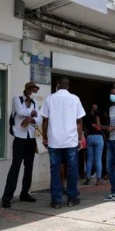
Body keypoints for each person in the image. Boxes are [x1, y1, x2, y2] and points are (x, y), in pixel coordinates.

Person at [41, 78, 85, 209]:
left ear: (57, 85)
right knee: (72, 170)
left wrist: (44, 138)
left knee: (54, 170)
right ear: (68, 86)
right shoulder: (75, 99)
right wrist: (79, 138)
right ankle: (72, 198)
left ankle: (56, 201)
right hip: (71, 141)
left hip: (54, 141)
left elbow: (45, 121)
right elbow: (79, 122)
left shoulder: (50, 99)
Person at [1, 82, 40, 208]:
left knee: (28, 167)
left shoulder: (34, 103)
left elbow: (39, 119)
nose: (33, 93)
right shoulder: (16, 99)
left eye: (35, 90)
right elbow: (20, 111)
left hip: (31, 138)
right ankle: (7, 197)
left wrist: (30, 118)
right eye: (32, 90)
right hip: (19, 138)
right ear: (27, 89)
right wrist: (32, 114)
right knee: (15, 167)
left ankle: (25, 193)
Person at [83, 104, 104, 186]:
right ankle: (98, 180)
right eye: (95, 107)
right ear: (93, 109)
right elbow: (98, 127)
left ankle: (87, 179)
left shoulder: (86, 117)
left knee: (89, 159)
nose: (96, 109)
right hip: (98, 137)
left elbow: (85, 128)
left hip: (89, 137)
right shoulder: (97, 116)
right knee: (98, 159)